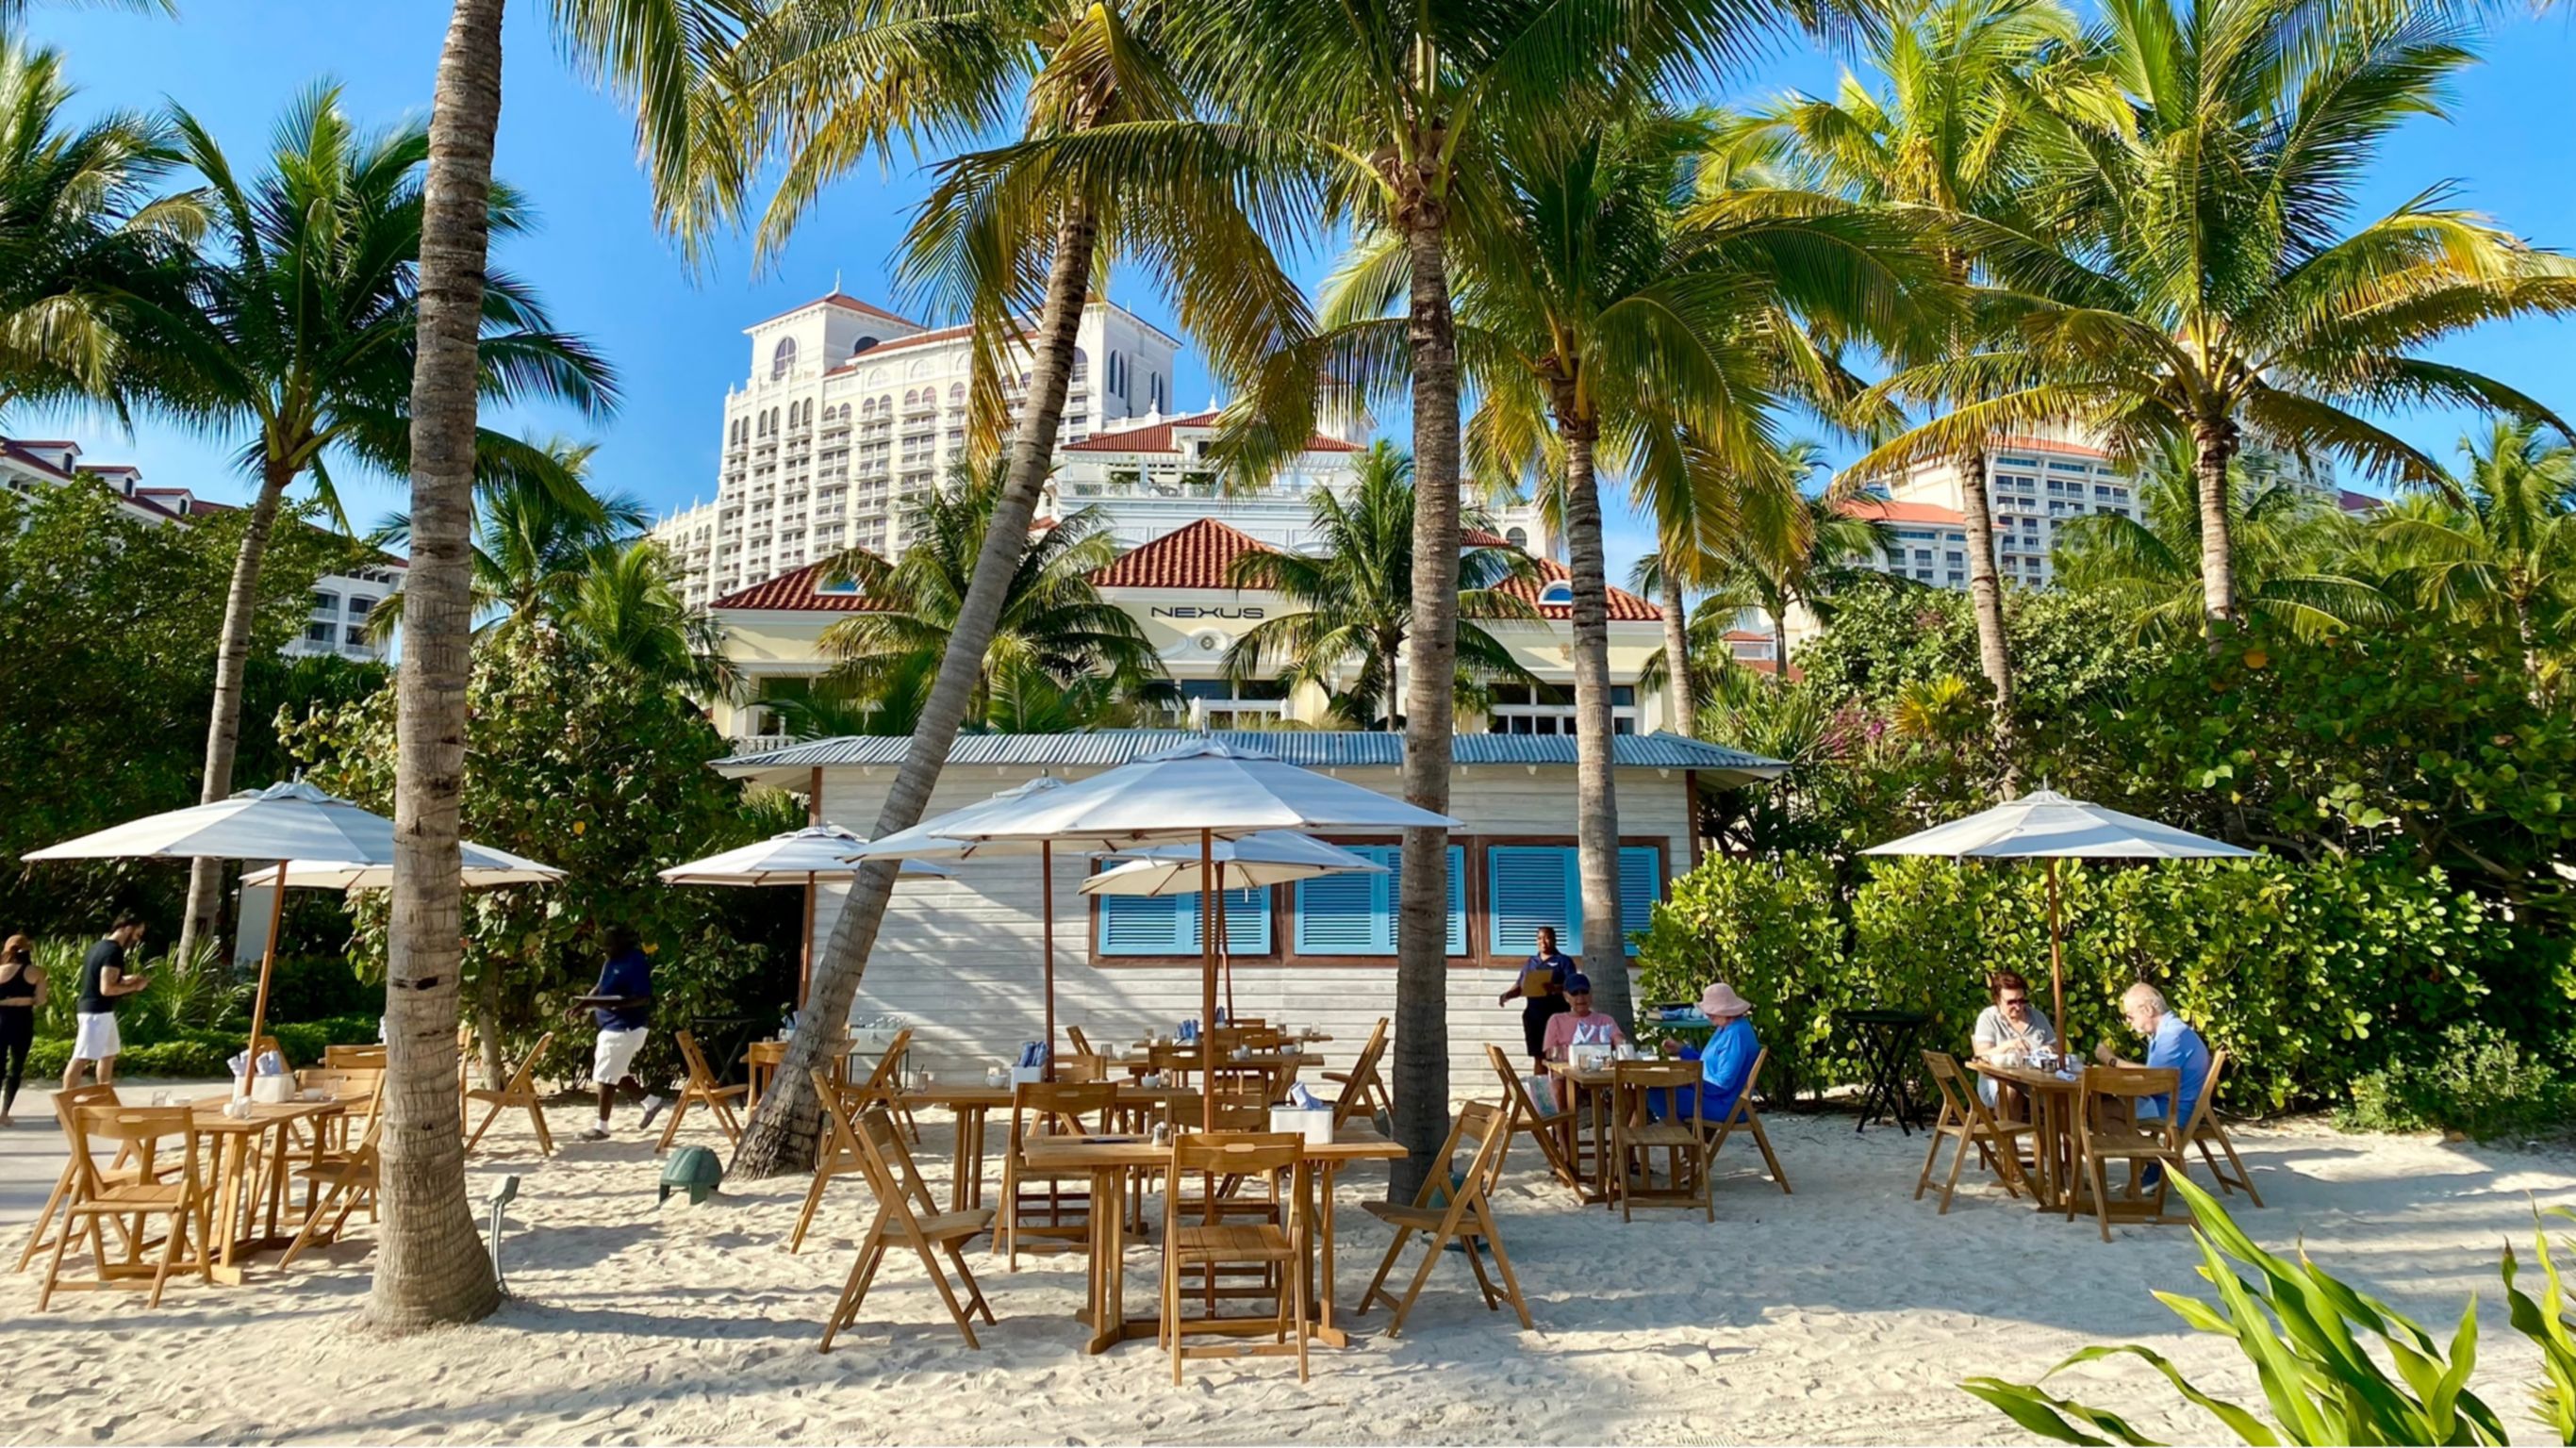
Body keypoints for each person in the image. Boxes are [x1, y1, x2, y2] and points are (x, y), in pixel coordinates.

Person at [570, 927, 665, 1142]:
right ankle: (651, 1102)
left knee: (604, 1075)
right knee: (616, 1071)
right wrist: (584, 1004)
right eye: (604, 946)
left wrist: (614, 1004)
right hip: (610, 1026)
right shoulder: (610, 960)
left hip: (626, 1027)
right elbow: (600, 987)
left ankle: (601, 1127)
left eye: (610, 945)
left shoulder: (635, 962)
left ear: (623, 943)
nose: (606, 949)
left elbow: (642, 998)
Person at [2096, 981, 2211, 1150]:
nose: (2128, 1021)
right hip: (2169, 1102)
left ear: (2148, 1010)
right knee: (2102, 1107)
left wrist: (2111, 1060)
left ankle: (2156, 1160)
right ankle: (2153, 1160)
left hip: (2173, 1109)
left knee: (2100, 1111)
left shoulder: (2171, 1036)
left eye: (2130, 1015)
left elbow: (2151, 1082)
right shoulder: (2167, 1031)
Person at [63, 913, 148, 1092]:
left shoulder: (98, 947)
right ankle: (65, 1104)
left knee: (108, 1054)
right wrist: (135, 987)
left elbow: (100, 978)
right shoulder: (114, 951)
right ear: (127, 928)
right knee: (81, 1056)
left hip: (98, 1010)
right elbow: (107, 989)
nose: (136, 940)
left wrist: (126, 979)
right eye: (137, 935)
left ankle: (105, 1097)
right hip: (96, 1012)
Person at [1657, 982, 1760, 1125]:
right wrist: (1681, 1050)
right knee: (1660, 1091)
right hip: (1715, 1097)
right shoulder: (1727, 1027)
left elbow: (1723, 1083)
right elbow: (1707, 1063)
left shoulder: (1736, 1034)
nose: (1708, 1017)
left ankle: (1686, 1140)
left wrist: (1691, 1082)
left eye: (1711, 1014)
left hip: (1725, 1104)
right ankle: (1688, 1137)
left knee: (1656, 1094)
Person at [1971, 971, 2056, 1111]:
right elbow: (1981, 1055)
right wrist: (2009, 1045)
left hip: (2037, 1082)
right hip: (1997, 1080)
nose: (2017, 1007)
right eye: (2011, 1002)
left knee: (2064, 1093)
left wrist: (2049, 1050)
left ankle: (2060, 1132)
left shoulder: (2037, 1017)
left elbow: (2057, 1049)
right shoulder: (1989, 1018)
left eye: (2022, 1000)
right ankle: (2006, 1132)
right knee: (2010, 1090)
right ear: (1997, 999)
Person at [1541, 973, 1626, 1111]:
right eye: (1574, 993)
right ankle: (1563, 1133)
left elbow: (1620, 1041)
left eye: (1584, 992)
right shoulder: (1556, 1020)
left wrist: (1621, 1044)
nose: (1580, 998)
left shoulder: (1605, 1020)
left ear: (1591, 994)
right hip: (1568, 1076)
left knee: (1631, 1091)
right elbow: (1549, 1053)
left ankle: (1623, 1131)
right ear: (1566, 996)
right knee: (1556, 1089)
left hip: (1602, 1075)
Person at [1496, 926, 1574, 1071]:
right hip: (1534, 1016)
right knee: (1538, 1057)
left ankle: (1559, 1091)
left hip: (1556, 1015)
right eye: (1539, 938)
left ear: (1554, 939)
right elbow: (1520, 985)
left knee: (1557, 1057)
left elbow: (1572, 985)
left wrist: (1555, 988)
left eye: (1547, 937)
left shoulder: (1564, 961)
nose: (1543, 941)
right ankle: (1541, 1092)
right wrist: (1507, 995)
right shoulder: (1531, 962)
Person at [0, 934, 43, 1126]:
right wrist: (27, 999)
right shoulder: (36, 972)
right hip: (22, 1018)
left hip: (1, 1017)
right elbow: (41, 1000)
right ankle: (4, 1112)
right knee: (15, 1068)